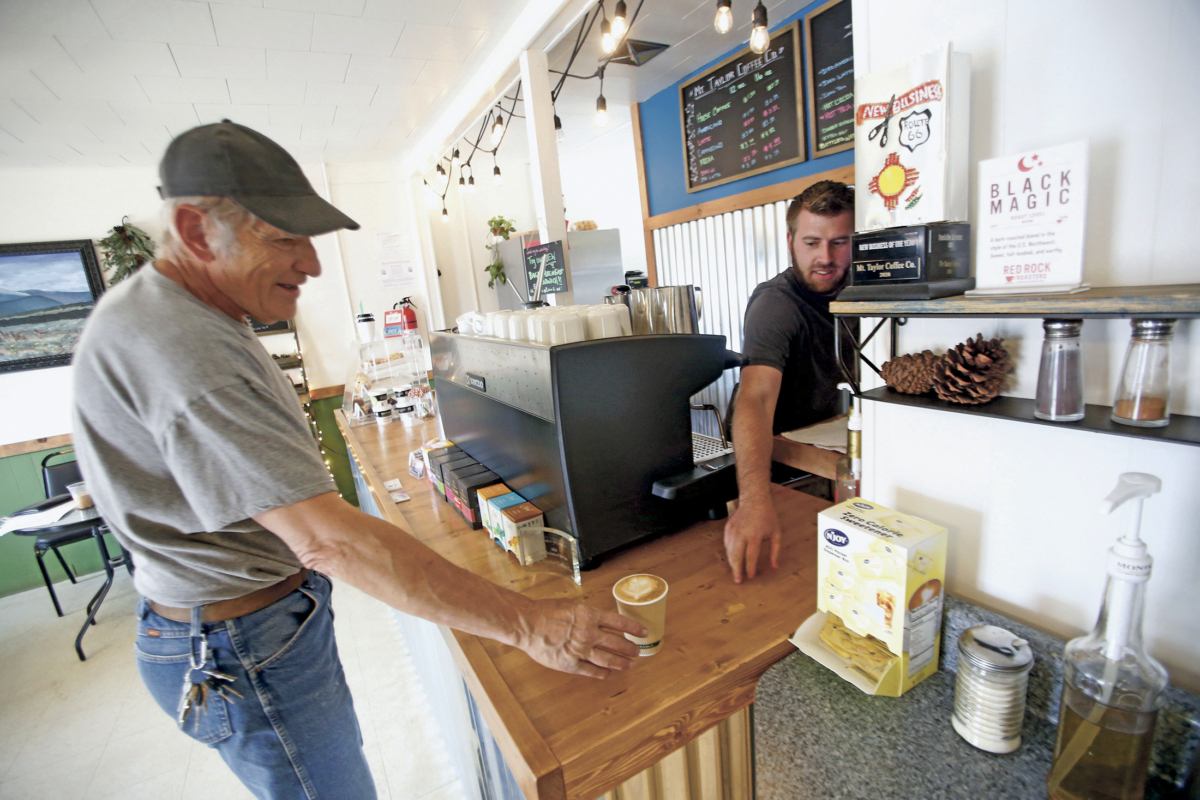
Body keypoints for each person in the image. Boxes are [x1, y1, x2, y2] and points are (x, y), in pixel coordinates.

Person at [70, 121, 646, 800]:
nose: (311, 264)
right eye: (284, 238)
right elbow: (327, 541)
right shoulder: (183, 344)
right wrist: (529, 623)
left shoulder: (178, 315)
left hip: (243, 624)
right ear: (197, 233)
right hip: (237, 644)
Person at [722, 180, 855, 584]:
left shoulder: (864, 290)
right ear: (791, 240)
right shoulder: (775, 304)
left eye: (839, 242)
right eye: (812, 242)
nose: (826, 257)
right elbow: (757, 398)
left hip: (834, 458)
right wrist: (754, 500)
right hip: (774, 472)